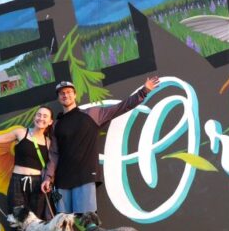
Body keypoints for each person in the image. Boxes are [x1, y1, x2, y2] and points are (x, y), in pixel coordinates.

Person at [41, 76, 160, 215]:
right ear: (58, 98)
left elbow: (120, 107)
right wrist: (48, 178)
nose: (65, 95)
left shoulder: (93, 114)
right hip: (61, 181)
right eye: (61, 93)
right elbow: (54, 154)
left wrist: (143, 91)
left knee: (88, 218)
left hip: (84, 176)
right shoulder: (56, 125)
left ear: (75, 95)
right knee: (62, 223)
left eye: (68, 91)